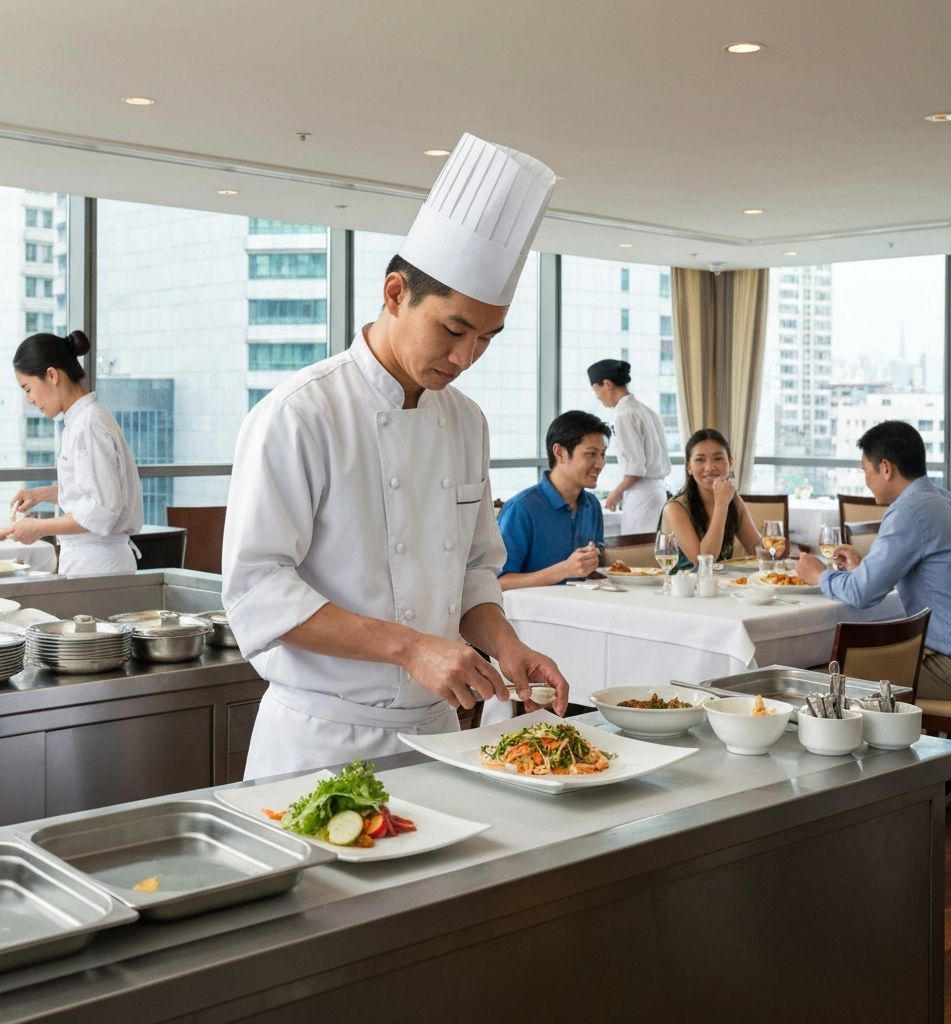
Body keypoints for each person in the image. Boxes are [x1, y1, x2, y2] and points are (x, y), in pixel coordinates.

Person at [222, 132, 569, 779]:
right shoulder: (301, 413)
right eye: (454, 329)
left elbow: (472, 569)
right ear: (394, 294)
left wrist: (505, 644)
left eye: (486, 339)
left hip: (435, 741)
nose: (465, 359)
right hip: (319, 742)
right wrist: (410, 647)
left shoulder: (467, 422)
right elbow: (257, 591)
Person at [795, 420, 951, 808]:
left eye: (865, 471)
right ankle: (938, 777)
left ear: (886, 468)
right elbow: (929, 576)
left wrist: (819, 574)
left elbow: (862, 594)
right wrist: (865, 563)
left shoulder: (909, 511)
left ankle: (854, 798)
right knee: (854, 668)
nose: (866, 483)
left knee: (827, 678)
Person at [1, 331, 142, 577]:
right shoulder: (84, 420)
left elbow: (102, 510)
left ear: (52, 375)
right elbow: (92, 494)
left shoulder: (88, 425)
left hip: (97, 565)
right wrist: (42, 494)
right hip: (94, 562)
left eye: (28, 388)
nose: (29, 400)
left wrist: (38, 527)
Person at [498, 411, 610, 589]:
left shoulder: (592, 505)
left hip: (586, 610)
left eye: (602, 454)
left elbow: (592, 571)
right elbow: (498, 583)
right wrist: (565, 569)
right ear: (560, 453)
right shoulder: (521, 509)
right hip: (533, 614)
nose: (600, 464)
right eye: (591, 454)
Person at [588, 358, 671, 533]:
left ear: (607, 384)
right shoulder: (647, 411)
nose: (597, 396)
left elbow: (635, 469)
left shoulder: (624, 415)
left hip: (642, 495)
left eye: (596, 390)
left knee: (634, 552)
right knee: (651, 549)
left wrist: (616, 493)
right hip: (658, 493)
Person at [660, 428, 761, 571]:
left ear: (730, 463)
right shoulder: (674, 508)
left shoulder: (733, 500)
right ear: (689, 467)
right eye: (700, 460)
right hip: (684, 589)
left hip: (724, 587)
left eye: (718, 458)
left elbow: (755, 546)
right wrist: (721, 505)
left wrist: (775, 547)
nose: (709, 467)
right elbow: (703, 560)